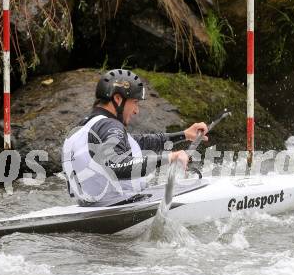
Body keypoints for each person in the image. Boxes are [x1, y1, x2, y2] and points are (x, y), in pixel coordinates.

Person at [62, 69, 208, 205]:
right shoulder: (110, 126)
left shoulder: (86, 126)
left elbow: (137, 143)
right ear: (118, 99)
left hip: (91, 207)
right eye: (135, 102)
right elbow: (116, 166)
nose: (136, 111)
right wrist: (170, 157)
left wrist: (184, 134)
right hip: (117, 207)